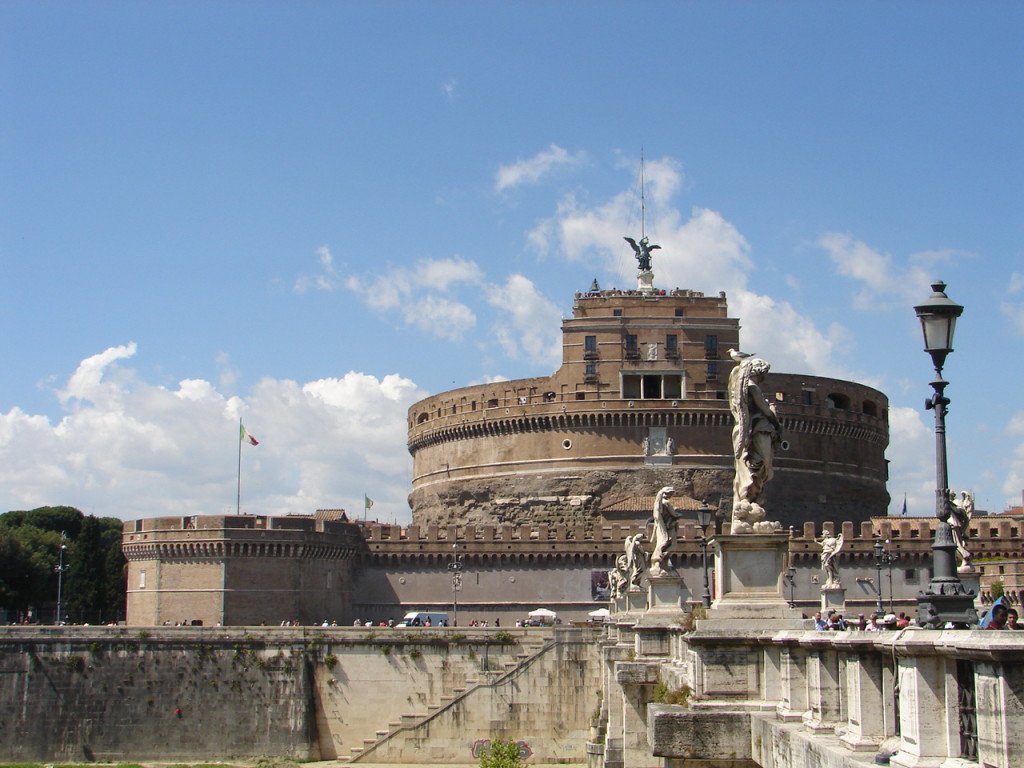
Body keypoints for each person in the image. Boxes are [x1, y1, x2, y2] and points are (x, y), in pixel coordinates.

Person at [728, 357, 783, 533]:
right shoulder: (751, 387)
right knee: (759, 465)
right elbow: (764, 410)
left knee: (758, 470)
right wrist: (774, 415)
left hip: (758, 430)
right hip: (758, 430)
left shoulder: (748, 386)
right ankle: (748, 501)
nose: (764, 377)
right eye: (763, 373)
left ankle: (751, 502)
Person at [649, 487, 684, 577]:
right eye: (671, 494)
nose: (671, 496)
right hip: (669, 528)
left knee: (662, 544)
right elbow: (674, 515)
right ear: (666, 494)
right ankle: (662, 558)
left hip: (663, 528)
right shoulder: (666, 503)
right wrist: (680, 514)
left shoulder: (659, 503)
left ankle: (661, 562)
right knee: (672, 544)